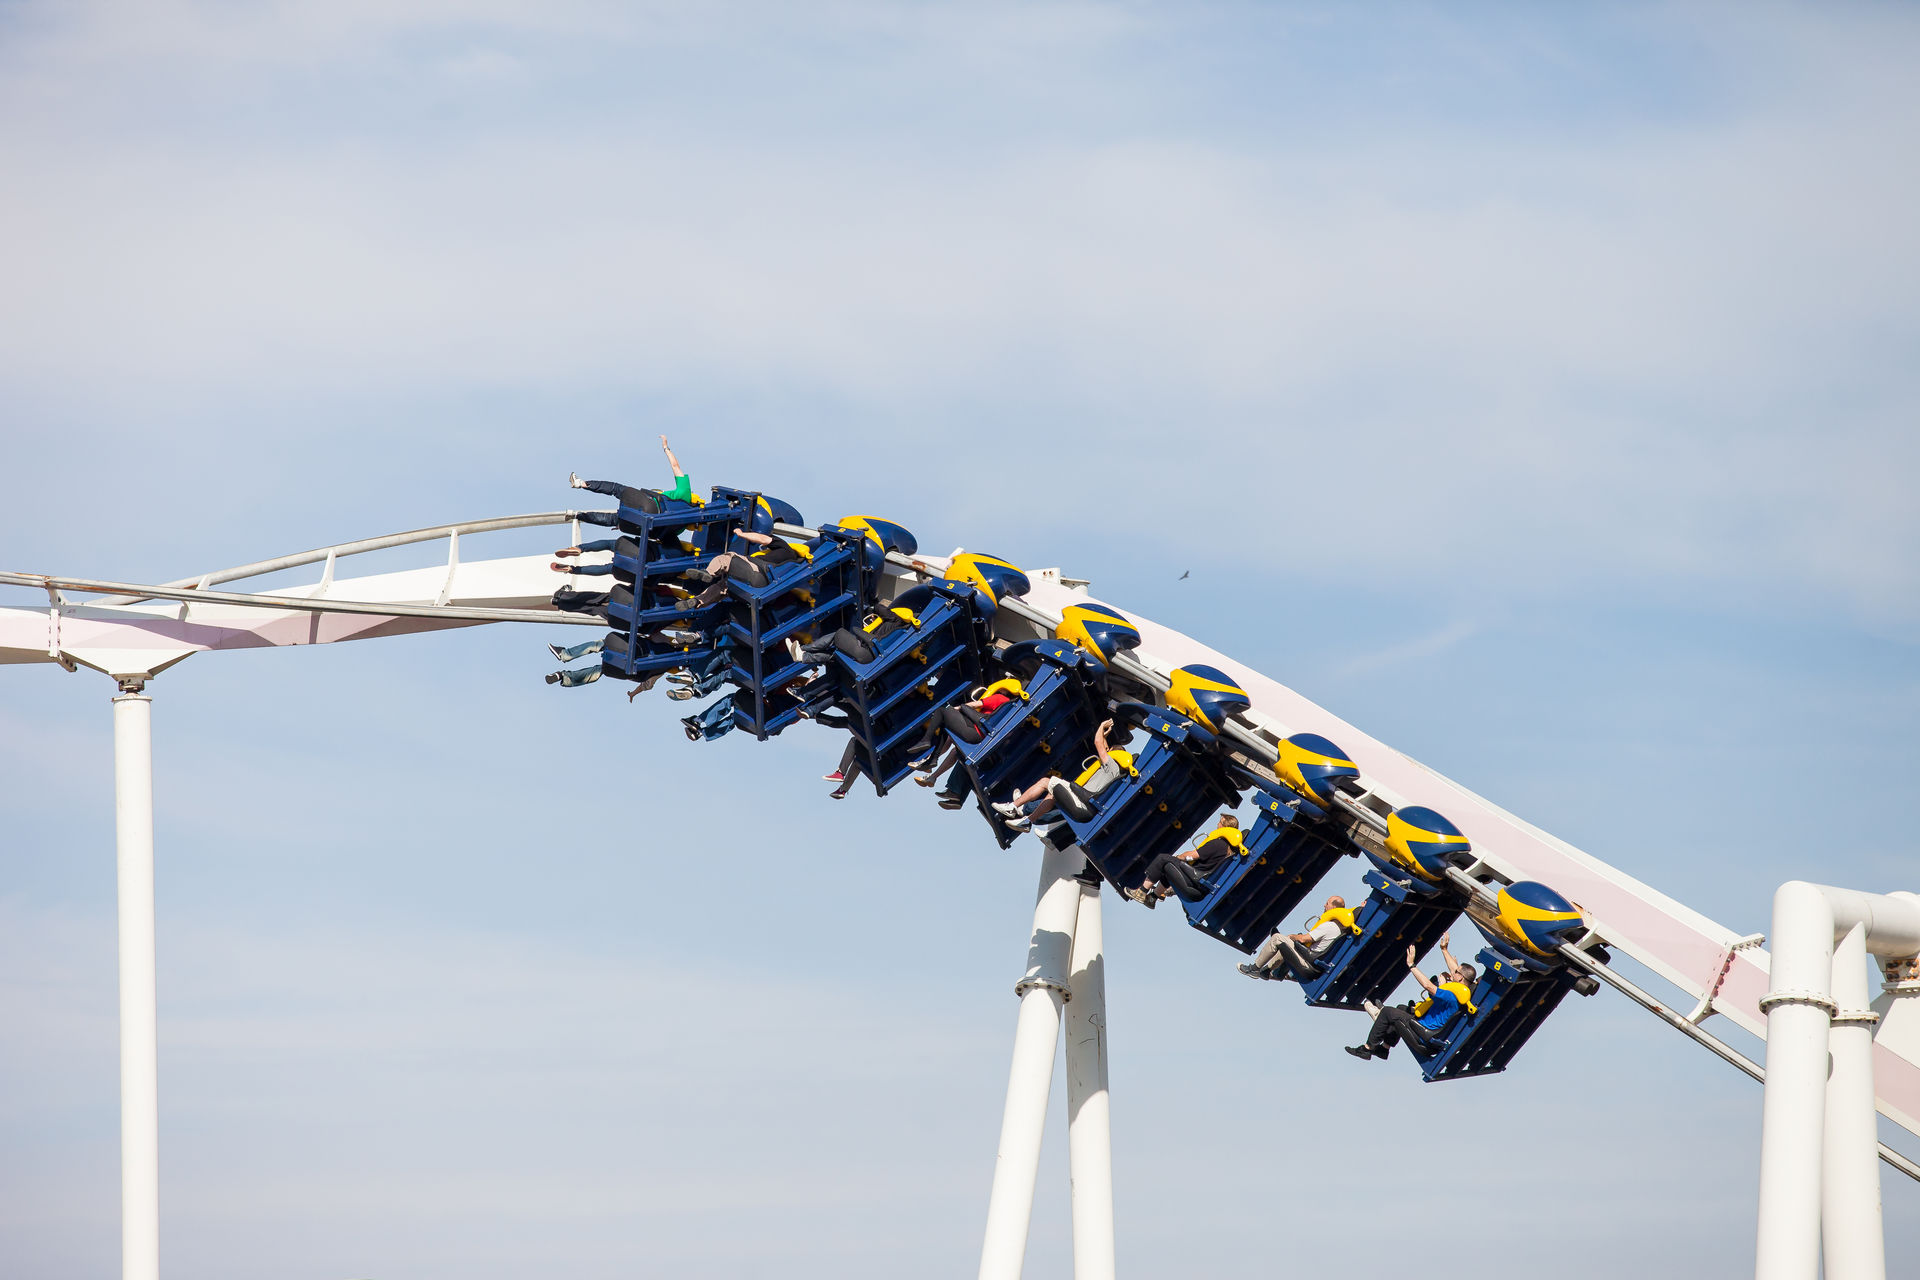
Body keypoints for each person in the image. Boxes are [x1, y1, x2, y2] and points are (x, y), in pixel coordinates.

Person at [1346, 935, 1477, 1062]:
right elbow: (1456, 971)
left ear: (1460, 978)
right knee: (1402, 1009)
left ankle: (1367, 1049)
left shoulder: (1451, 996)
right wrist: (1444, 950)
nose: (1453, 972)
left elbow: (1428, 985)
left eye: (1456, 972)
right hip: (1427, 1032)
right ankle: (1384, 1048)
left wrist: (1411, 965)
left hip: (1422, 1037)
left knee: (1388, 1012)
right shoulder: (1464, 993)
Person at [990, 718, 1132, 831]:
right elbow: (1104, 748)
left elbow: (1098, 742)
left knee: (1045, 782)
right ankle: (1027, 821)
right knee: (1053, 793)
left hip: (1080, 801)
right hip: (1083, 805)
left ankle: (1013, 807)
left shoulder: (1112, 765)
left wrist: (1102, 726)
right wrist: (1105, 736)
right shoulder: (1115, 771)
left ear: (1114, 753)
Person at [1123, 814, 1245, 906]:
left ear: (1225, 827)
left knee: (1163, 859)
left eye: (1220, 822)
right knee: (1169, 866)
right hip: (1198, 886)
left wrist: (1179, 857)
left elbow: (1192, 856)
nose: (1217, 825)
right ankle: (1152, 898)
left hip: (1193, 883)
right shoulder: (1229, 850)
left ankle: (1141, 892)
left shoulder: (1218, 844)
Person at [1238, 895, 1351, 981]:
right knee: (1285, 943)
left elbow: (1303, 939)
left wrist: (1291, 936)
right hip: (1314, 962)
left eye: (1327, 903)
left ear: (1334, 908)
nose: (1324, 906)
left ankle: (1254, 969)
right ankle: (1267, 970)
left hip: (1308, 963)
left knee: (1278, 938)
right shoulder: (1340, 929)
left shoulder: (1329, 926)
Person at [569, 435, 694, 509]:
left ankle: (582, 483)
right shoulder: (680, 524)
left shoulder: (685, 491)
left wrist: (666, 447)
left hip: (645, 501)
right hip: (646, 516)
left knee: (616, 489)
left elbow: (675, 466)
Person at [784, 602, 921, 669]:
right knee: (835, 654)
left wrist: (890, 611)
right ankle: (803, 657)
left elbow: (878, 607)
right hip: (869, 660)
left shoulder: (895, 619)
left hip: (864, 649)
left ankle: (803, 649)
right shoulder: (903, 632)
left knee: (838, 634)